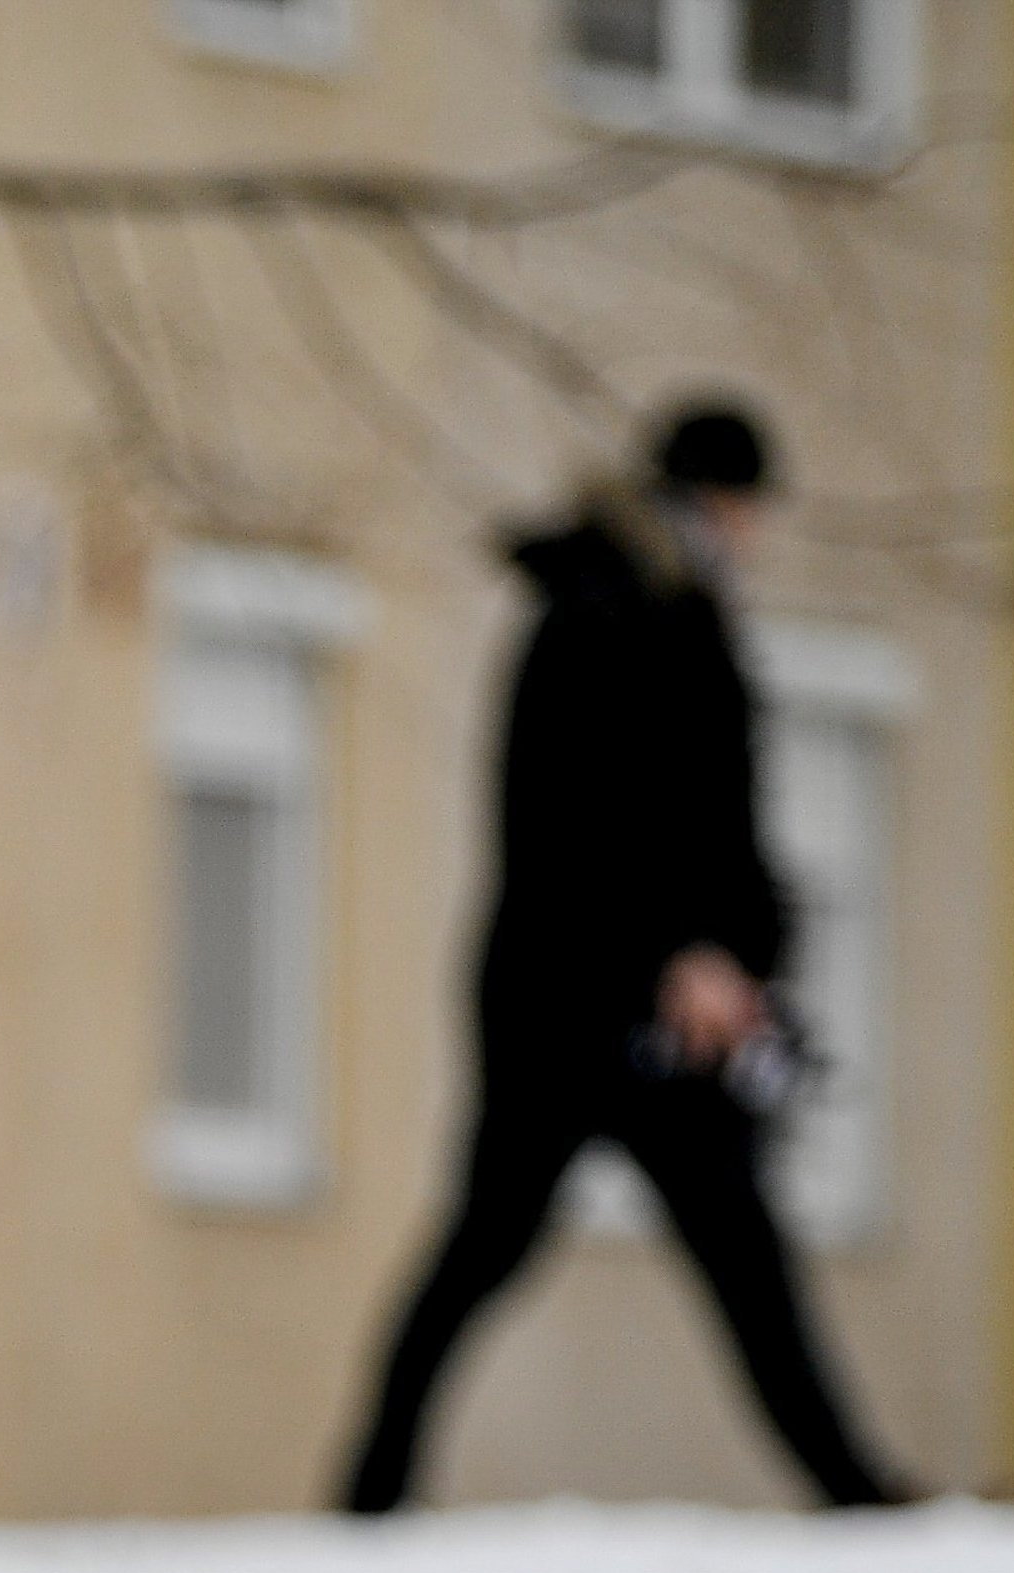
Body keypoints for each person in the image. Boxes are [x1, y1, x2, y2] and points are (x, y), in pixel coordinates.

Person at [335, 400, 910, 1514]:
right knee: (499, 1243)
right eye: (752, 510)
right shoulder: (606, 616)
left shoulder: (665, 609)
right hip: (576, 1007)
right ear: (723, 501)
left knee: (727, 1245)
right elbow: (580, 826)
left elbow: (713, 826)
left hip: (646, 1004)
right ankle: (371, 1494)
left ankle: (853, 1489)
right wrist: (687, 956)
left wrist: (743, 961)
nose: (757, 535)